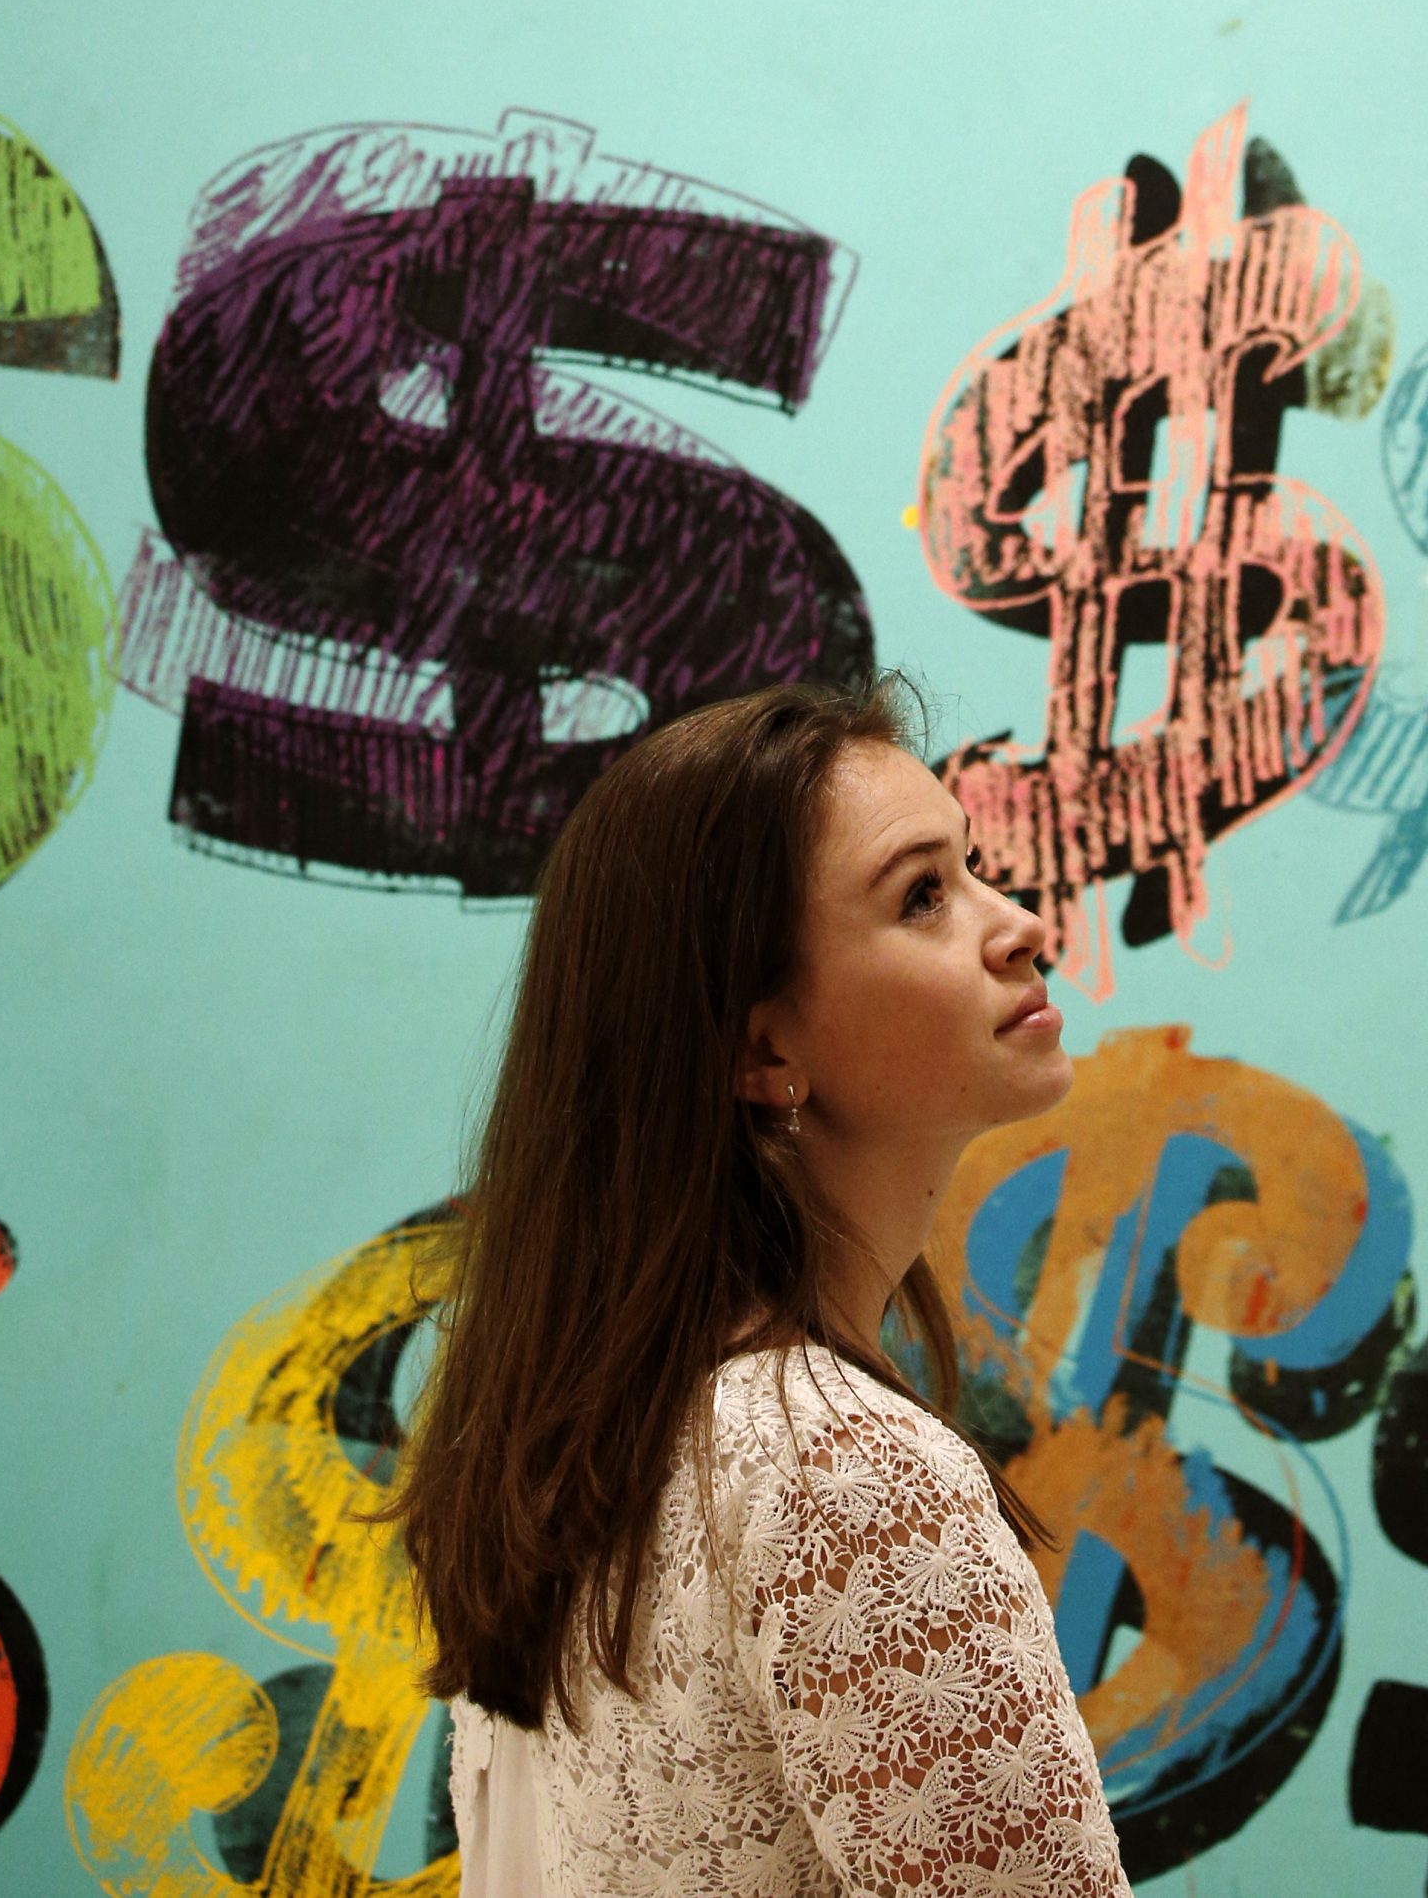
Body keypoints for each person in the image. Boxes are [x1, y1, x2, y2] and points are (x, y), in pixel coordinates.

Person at [384, 672, 1133, 1897]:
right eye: (923, 895)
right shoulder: (848, 1472)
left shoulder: (582, 1440)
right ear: (761, 1045)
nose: (1020, 925)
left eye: (973, 866)